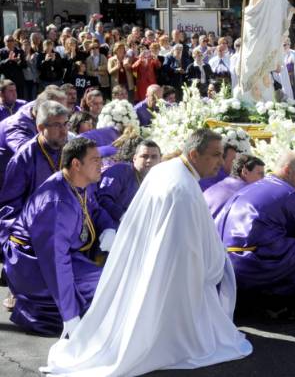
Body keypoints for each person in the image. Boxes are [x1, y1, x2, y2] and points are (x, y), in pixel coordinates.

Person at [43, 129, 253, 375]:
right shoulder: (182, 189)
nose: (221, 161)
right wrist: (215, 265)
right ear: (194, 154)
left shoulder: (168, 169)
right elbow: (188, 255)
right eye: (216, 155)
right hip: (168, 282)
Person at [3, 138, 116, 335]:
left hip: (59, 254)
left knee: (111, 277)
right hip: (30, 263)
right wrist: (69, 315)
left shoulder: (80, 182)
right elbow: (55, 263)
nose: (102, 164)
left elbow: (95, 210)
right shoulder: (56, 203)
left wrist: (108, 228)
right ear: (76, 164)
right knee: (103, 282)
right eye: (95, 160)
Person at [214, 152, 295, 313]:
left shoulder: (251, 187)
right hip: (249, 264)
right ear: (287, 171)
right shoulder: (291, 194)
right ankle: (290, 301)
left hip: (223, 262)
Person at [0, 101, 70, 250]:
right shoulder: (24, 159)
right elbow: (10, 209)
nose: (64, 131)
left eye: (66, 124)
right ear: (40, 128)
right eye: (57, 125)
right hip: (35, 236)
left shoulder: (70, 149)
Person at [0, 87, 67, 184]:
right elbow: (29, 155)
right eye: (58, 111)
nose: (63, 115)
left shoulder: (38, 107)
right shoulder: (16, 127)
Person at [96, 139, 162, 227]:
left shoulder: (159, 181)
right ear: (134, 158)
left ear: (160, 160)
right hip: (108, 228)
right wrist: (123, 216)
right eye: (144, 156)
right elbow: (102, 199)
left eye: (154, 157)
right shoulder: (120, 171)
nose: (149, 160)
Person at [205, 154, 265, 219]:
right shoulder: (245, 194)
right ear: (245, 172)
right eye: (260, 174)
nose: (263, 178)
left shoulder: (221, 185)